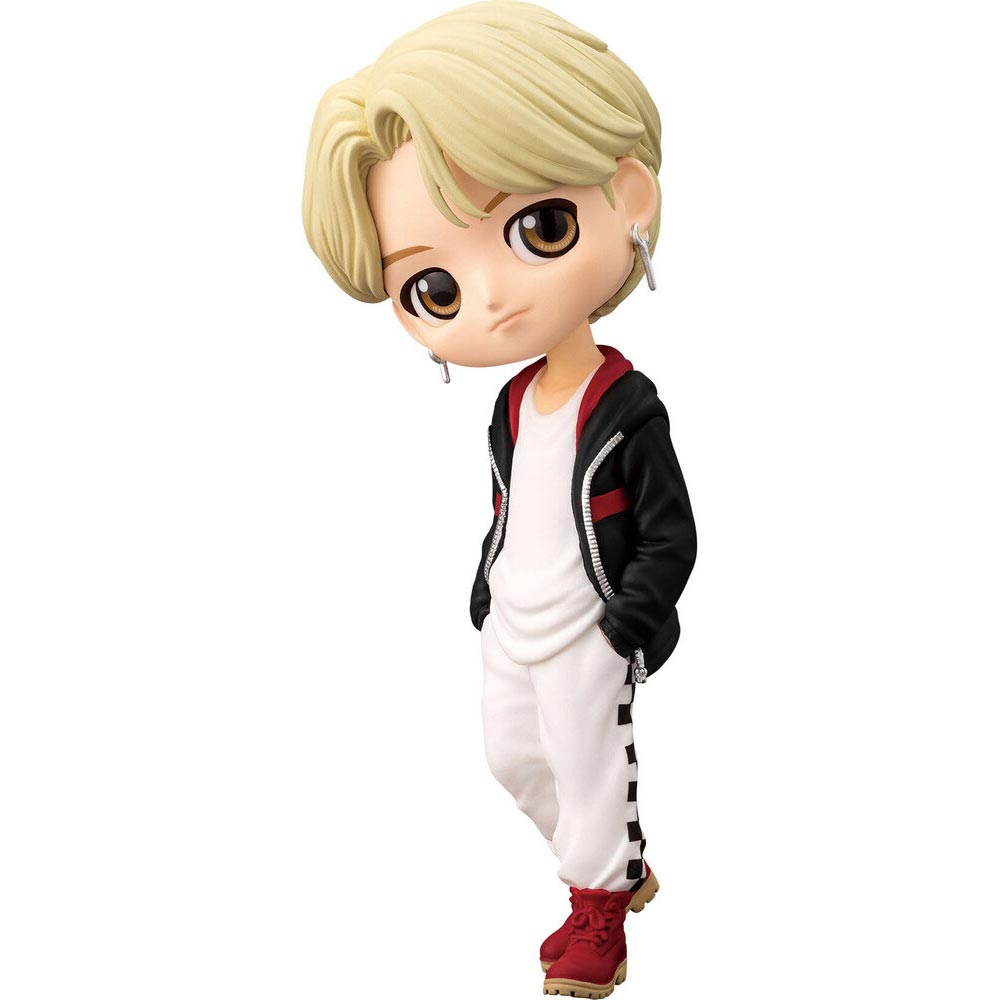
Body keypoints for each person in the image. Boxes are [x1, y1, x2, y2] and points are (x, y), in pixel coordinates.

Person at [301, 4, 696, 995]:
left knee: (590, 760)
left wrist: (629, 619)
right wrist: (484, 588)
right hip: (514, 618)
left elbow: (672, 531)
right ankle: (616, 863)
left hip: (591, 625)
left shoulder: (628, 407)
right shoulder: (512, 404)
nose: (488, 298)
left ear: (627, 197)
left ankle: (598, 908)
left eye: (539, 227)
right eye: (433, 288)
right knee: (512, 756)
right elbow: (511, 507)